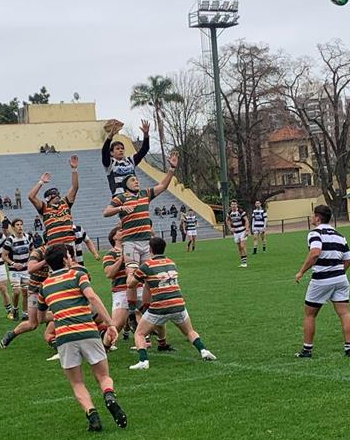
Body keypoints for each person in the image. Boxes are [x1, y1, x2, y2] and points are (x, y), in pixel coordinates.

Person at [35, 243, 126, 432]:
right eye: (70, 255)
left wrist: (60, 314)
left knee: (77, 382)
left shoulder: (44, 287)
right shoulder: (77, 275)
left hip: (65, 337)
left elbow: (40, 317)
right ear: (65, 259)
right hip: (88, 332)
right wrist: (110, 324)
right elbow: (92, 298)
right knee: (103, 376)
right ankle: (108, 395)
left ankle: (92, 416)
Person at [103, 151, 177, 325]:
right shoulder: (120, 198)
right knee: (131, 278)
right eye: (133, 180)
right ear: (126, 184)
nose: (136, 181)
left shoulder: (145, 194)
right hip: (130, 243)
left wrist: (172, 169)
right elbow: (106, 212)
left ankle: (144, 307)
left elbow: (163, 186)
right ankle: (131, 311)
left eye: (136, 179)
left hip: (146, 243)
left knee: (148, 276)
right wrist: (121, 209)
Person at [127, 236, 216, 370]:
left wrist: (130, 271)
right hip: (178, 303)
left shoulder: (147, 266)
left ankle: (143, 361)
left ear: (150, 250)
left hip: (160, 306)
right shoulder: (171, 262)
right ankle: (203, 351)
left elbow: (131, 284)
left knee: (139, 333)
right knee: (190, 331)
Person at [293, 204, 350, 358]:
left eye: (313, 215)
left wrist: (301, 271)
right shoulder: (340, 236)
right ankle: (349, 348)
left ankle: (307, 350)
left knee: (310, 314)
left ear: (318, 217)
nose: (312, 218)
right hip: (341, 278)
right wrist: (337, 273)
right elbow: (348, 261)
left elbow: (315, 253)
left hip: (321, 280)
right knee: (345, 313)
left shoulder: (315, 233)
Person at [0, 242, 48, 348]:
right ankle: (11, 334)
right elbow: (30, 269)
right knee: (33, 323)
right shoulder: (38, 252)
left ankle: (54, 341)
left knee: (58, 316)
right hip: (36, 291)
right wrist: (46, 260)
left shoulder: (61, 250)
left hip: (51, 290)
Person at [29, 155, 80, 250]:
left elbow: (75, 187)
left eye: (57, 194)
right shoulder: (44, 208)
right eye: (54, 194)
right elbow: (31, 197)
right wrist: (41, 182)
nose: (57, 195)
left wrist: (74, 170)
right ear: (48, 198)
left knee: (71, 264)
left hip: (69, 242)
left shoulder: (65, 203)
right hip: (54, 244)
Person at [100, 119, 151, 195]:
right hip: (120, 198)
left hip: (134, 196)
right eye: (117, 149)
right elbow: (104, 152)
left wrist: (146, 135)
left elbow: (144, 150)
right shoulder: (110, 164)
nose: (121, 150)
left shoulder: (130, 161)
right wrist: (110, 137)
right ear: (111, 152)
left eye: (122, 148)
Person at [2, 219, 37, 318]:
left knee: (26, 292)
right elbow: (4, 256)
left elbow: (33, 250)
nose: (20, 226)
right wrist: (13, 263)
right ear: (13, 227)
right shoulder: (10, 240)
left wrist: (31, 259)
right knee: (17, 292)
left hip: (26, 269)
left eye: (21, 224)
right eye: (17, 225)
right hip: (14, 270)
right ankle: (15, 308)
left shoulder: (28, 237)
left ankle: (25, 313)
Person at [228, 200, 249, 267]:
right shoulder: (230, 212)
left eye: (235, 204)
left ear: (237, 205)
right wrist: (230, 228)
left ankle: (245, 262)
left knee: (242, 246)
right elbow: (227, 220)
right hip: (236, 232)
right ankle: (243, 262)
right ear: (230, 205)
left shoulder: (240, 211)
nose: (233, 205)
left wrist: (247, 230)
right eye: (232, 204)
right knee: (239, 248)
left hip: (242, 231)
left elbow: (246, 220)